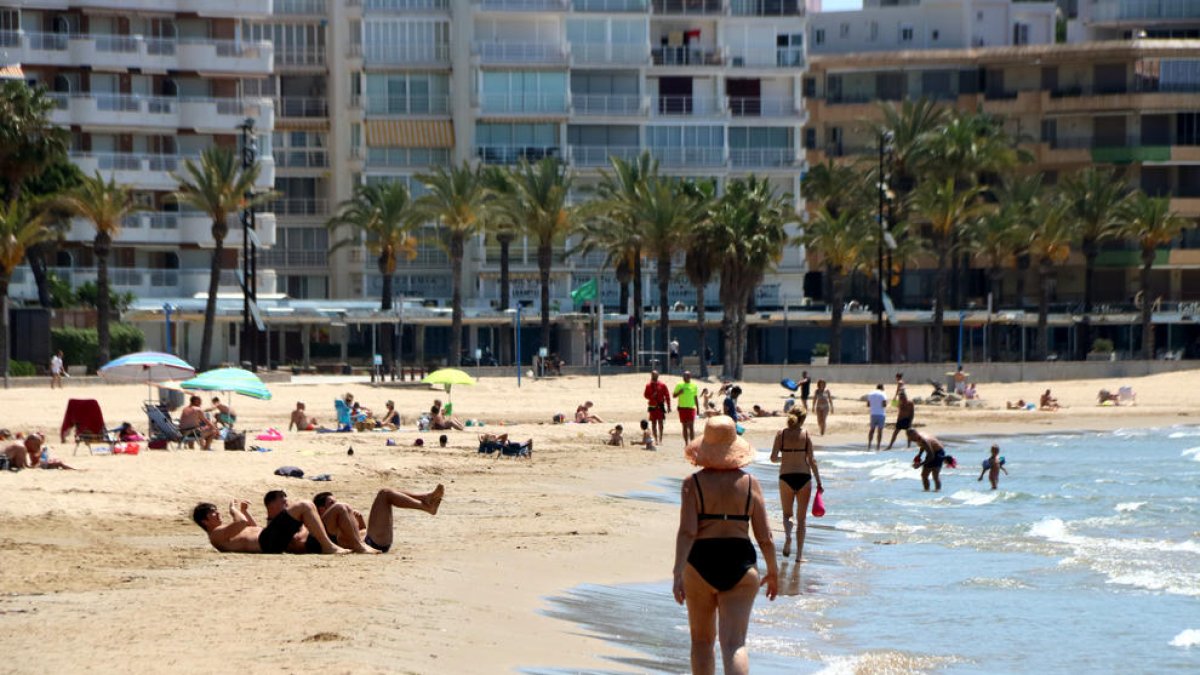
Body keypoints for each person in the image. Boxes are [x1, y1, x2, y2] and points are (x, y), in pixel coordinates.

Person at [673, 416, 778, 675]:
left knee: (701, 642)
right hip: (740, 561)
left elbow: (687, 532)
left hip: (699, 562)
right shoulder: (751, 483)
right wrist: (773, 571)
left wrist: (677, 572)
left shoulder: (692, 483)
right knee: (734, 644)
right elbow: (765, 536)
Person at [191, 494, 348, 554]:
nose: (218, 513)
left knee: (307, 511)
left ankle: (338, 541)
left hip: (268, 540)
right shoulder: (216, 535)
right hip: (267, 543)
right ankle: (328, 546)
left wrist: (245, 511)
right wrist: (233, 510)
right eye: (213, 512)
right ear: (205, 521)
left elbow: (254, 528)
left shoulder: (225, 531)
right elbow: (242, 523)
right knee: (304, 506)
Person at [312, 485, 443, 554]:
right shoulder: (323, 527)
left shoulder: (336, 519)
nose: (336, 505)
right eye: (331, 504)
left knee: (387, 493)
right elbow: (345, 540)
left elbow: (358, 533)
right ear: (321, 509)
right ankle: (426, 504)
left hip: (373, 540)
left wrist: (360, 521)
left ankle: (425, 498)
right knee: (385, 494)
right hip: (372, 543)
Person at [769, 411, 822, 562]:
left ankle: (787, 537)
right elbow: (812, 460)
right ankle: (799, 556)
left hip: (785, 476)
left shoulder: (781, 434)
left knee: (787, 515)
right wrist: (819, 481)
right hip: (804, 477)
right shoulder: (806, 434)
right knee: (802, 519)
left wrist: (785, 458)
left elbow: (773, 458)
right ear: (803, 419)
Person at [3, 434, 74, 470]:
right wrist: (43, 465)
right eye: (37, 445)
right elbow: (23, 468)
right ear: (30, 442)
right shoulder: (21, 447)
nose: (38, 448)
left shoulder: (19, 443)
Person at [644, 370, 672, 444]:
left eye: (656, 375)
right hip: (652, 406)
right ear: (651, 375)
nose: (654, 376)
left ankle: (660, 439)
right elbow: (645, 395)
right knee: (653, 423)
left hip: (660, 406)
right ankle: (655, 439)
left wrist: (669, 406)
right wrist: (651, 396)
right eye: (653, 375)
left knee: (661, 423)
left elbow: (667, 395)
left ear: (658, 375)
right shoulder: (648, 385)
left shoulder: (662, 385)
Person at [673, 371, 700, 444]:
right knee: (684, 426)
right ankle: (686, 443)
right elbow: (674, 395)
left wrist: (698, 409)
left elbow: (695, 397)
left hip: (691, 408)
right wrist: (679, 393)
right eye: (684, 376)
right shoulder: (679, 385)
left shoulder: (694, 386)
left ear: (690, 377)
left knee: (691, 426)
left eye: (687, 376)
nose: (685, 378)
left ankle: (692, 444)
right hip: (682, 408)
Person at [866, 384, 888, 451]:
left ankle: (869, 445)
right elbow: (884, 405)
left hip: (873, 414)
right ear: (882, 388)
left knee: (872, 430)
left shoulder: (871, 393)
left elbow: (868, 404)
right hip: (881, 414)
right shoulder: (883, 394)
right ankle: (878, 447)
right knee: (880, 431)